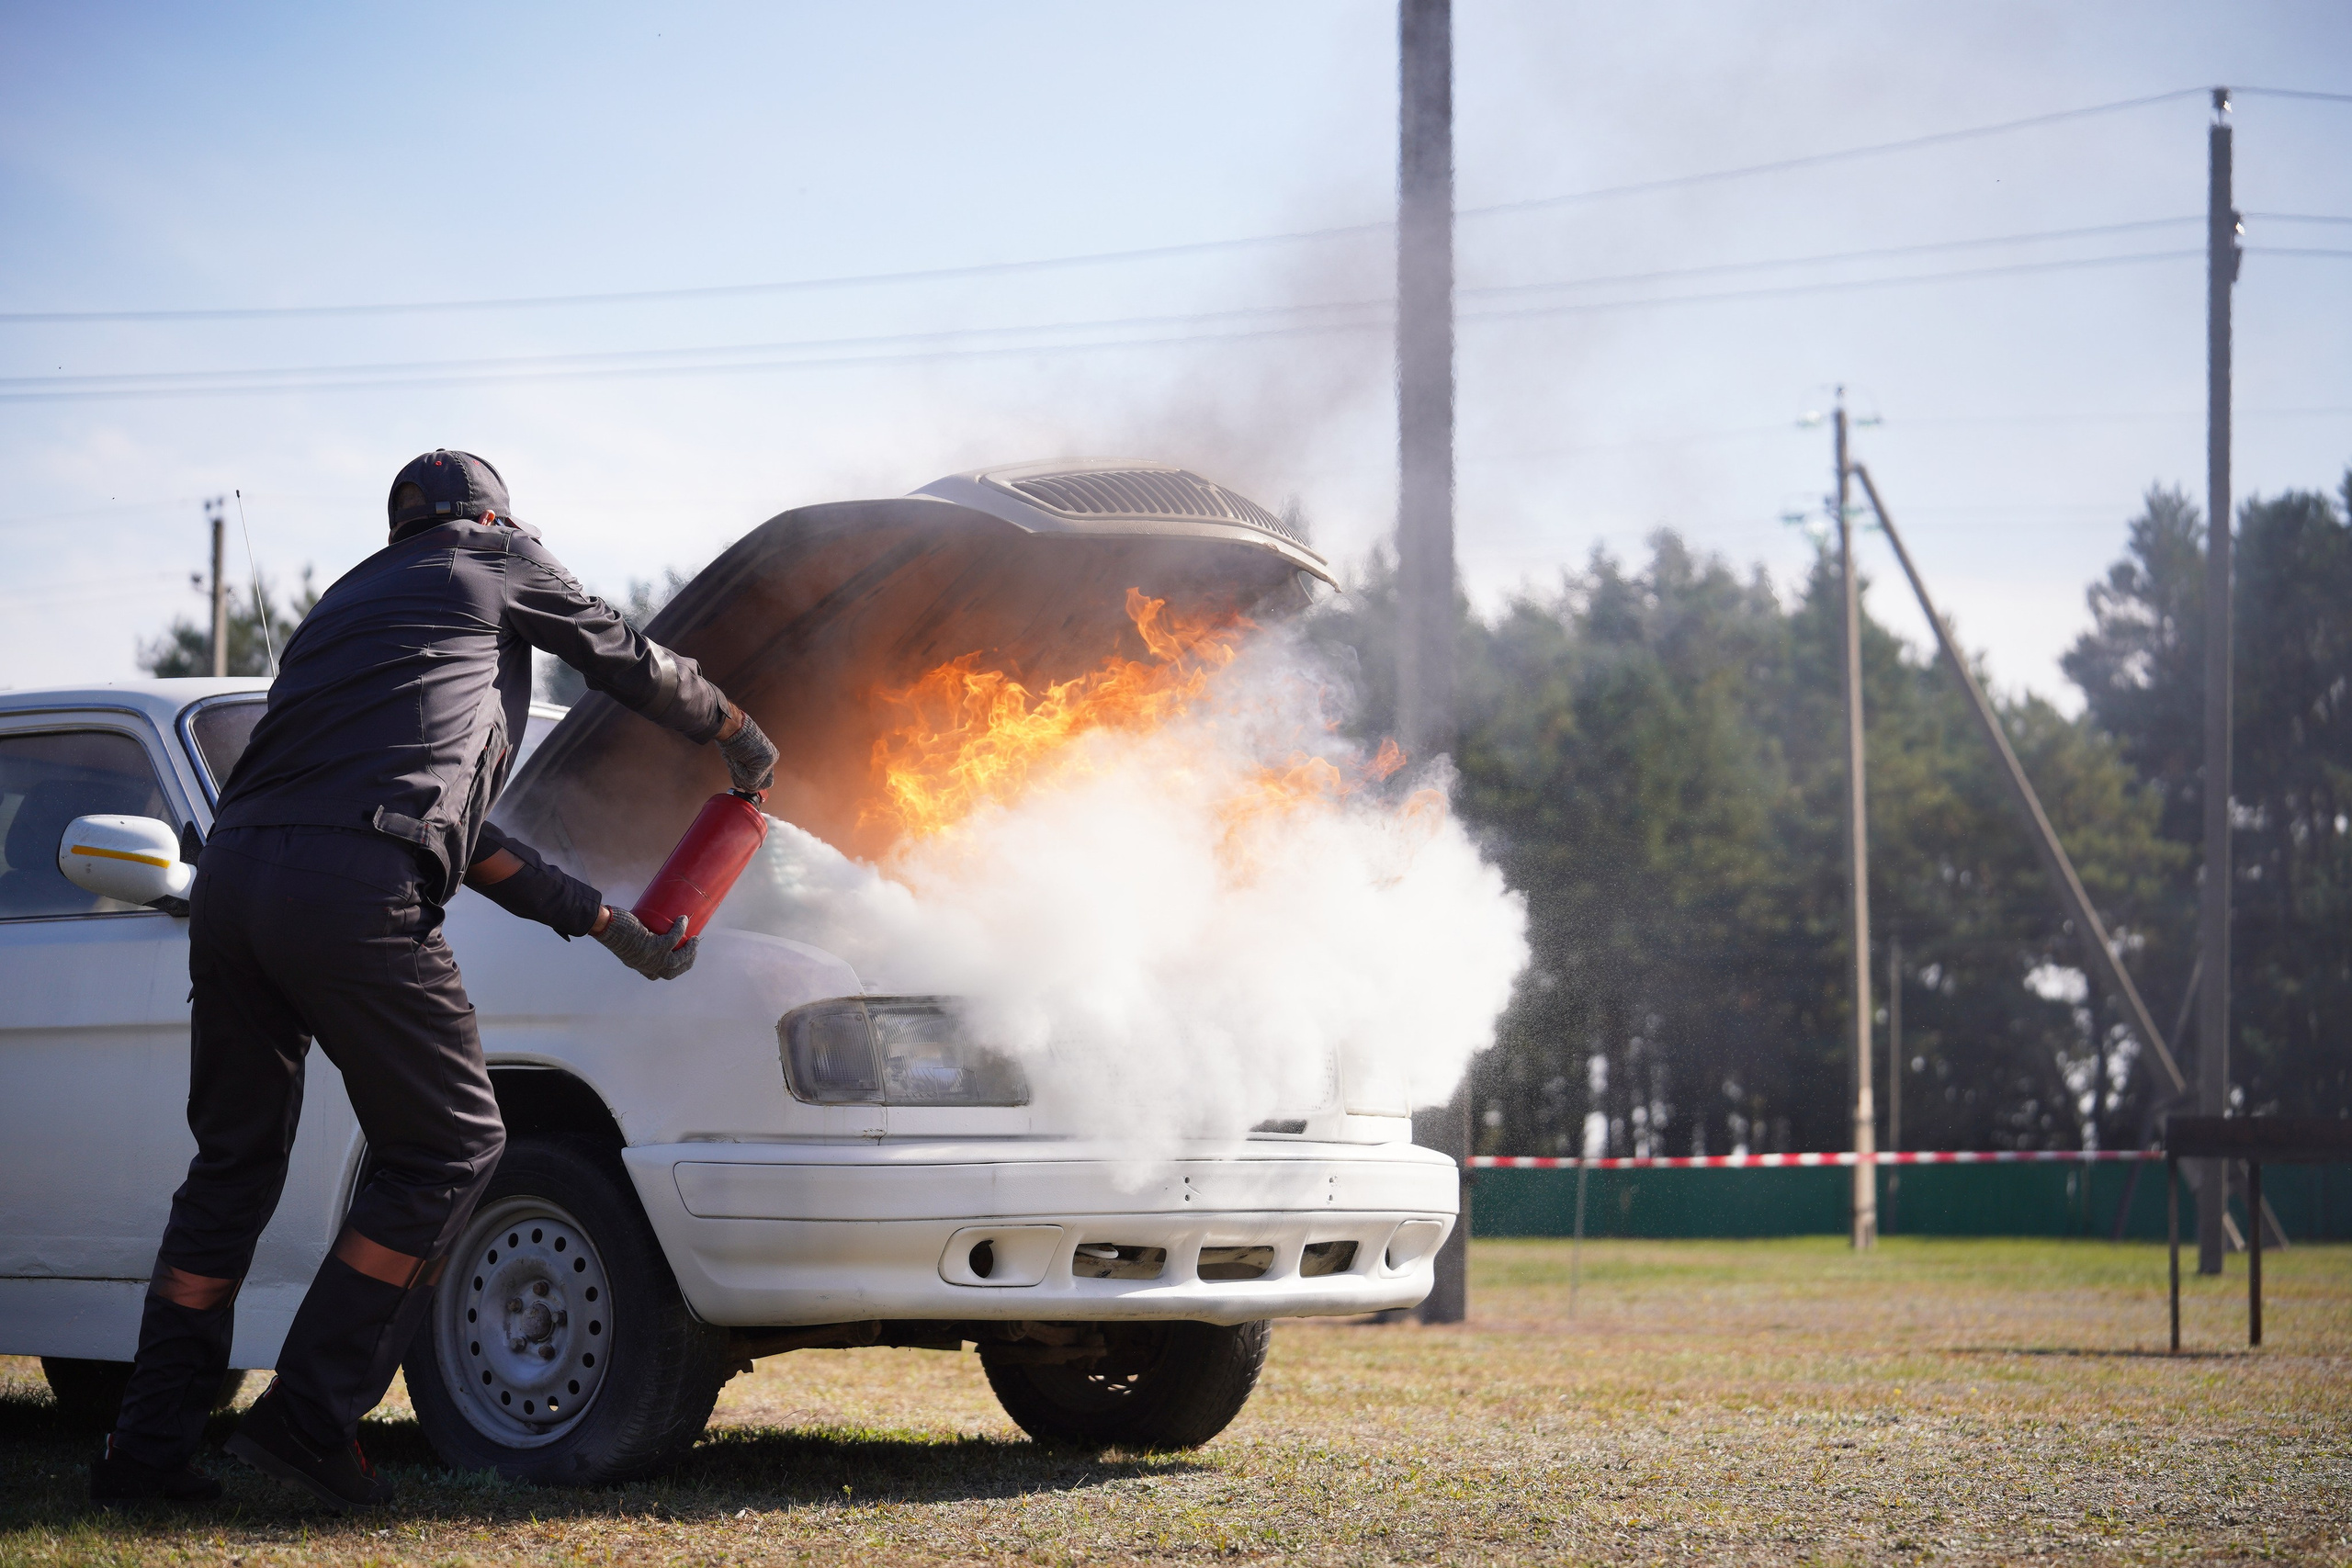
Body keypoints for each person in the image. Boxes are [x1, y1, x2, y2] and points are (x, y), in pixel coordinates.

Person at [90, 450, 777, 1509]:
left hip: (234, 883)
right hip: (353, 886)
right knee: (452, 1143)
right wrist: (733, 731)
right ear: (494, 518)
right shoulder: (497, 557)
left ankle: (145, 1453)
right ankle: (308, 1420)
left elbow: (457, 830)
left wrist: (602, 924)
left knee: (231, 1169)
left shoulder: (348, 606)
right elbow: (623, 654)